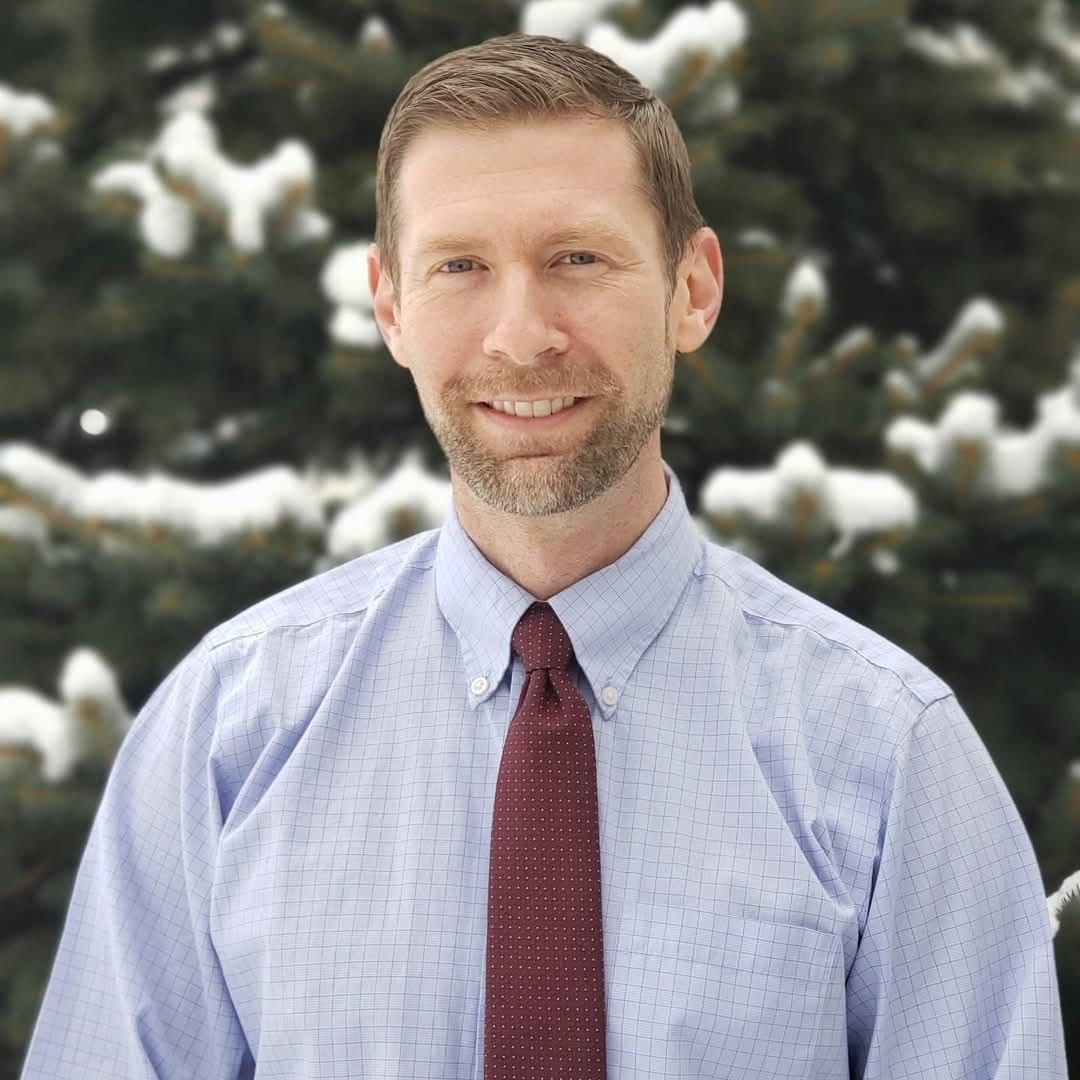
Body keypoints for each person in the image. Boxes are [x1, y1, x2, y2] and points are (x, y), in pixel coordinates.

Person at [21, 32, 1066, 1080]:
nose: (520, 337)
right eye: (460, 267)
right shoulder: (225, 738)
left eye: (577, 258)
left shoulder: (887, 757)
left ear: (692, 289)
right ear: (391, 305)